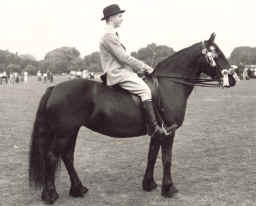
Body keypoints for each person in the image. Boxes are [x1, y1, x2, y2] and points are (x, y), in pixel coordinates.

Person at [99, 4, 165, 138]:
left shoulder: (112, 34)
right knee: (145, 90)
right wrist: (145, 67)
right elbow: (123, 57)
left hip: (123, 71)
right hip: (117, 73)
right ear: (111, 18)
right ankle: (153, 127)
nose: (121, 19)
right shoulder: (108, 36)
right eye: (119, 16)